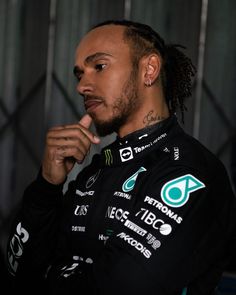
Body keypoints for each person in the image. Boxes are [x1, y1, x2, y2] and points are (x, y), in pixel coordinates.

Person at [6, 20, 236, 295]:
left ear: (148, 70)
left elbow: (123, 286)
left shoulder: (191, 170)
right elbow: (17, 272)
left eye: (99, 67)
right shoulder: (97, 170)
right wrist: (47, 186)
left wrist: (50, 277)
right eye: (80, 74)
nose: (82, 86)